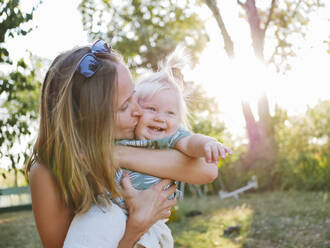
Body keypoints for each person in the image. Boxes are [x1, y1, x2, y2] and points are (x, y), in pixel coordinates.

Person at [26, 40, 221, 248]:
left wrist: (114, 154)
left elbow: (207, 168)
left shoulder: (138, 137)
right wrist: (138, 225)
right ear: (90, 119)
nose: (139, 111)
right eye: (125, 106)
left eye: (134, 96)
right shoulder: (47, 172)